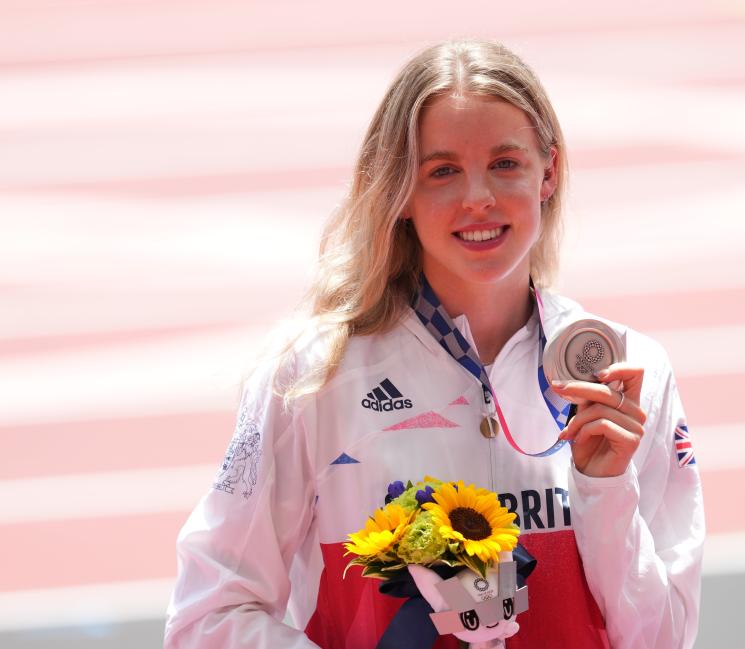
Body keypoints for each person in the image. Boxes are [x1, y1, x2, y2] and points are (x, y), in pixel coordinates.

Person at [164, 39, 704, 649]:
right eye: (442, 171)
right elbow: (206, 618)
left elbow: (664, 640)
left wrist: (605, 492)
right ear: (399, 192)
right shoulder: (315, 379)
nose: (479, 198)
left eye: (506, 163)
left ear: (547, 171)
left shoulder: (630, 376)